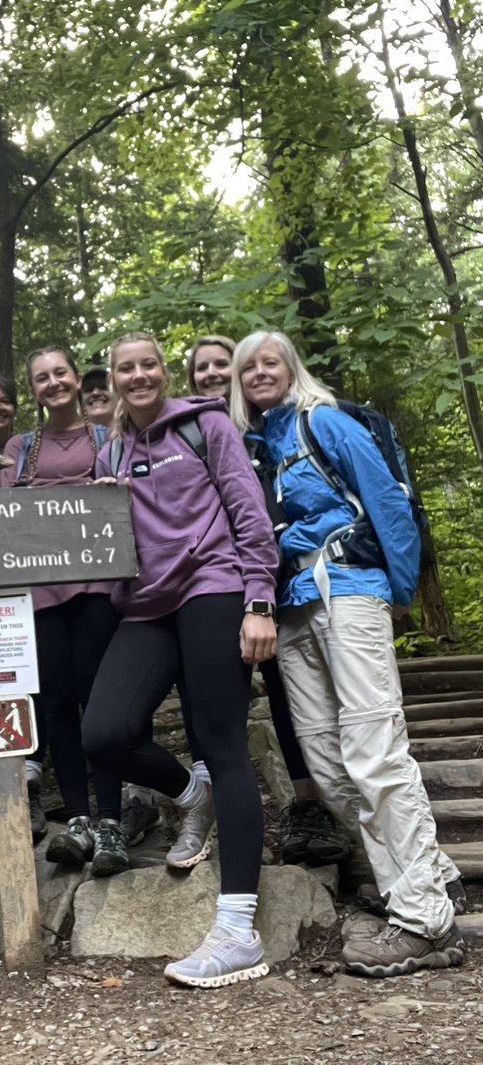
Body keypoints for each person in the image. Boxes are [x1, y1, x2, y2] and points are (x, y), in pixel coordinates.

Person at [230, 330, 465, 977]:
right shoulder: (256, 447)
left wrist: (398, 588)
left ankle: (421, 920)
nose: (259, 373)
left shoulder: (323, 423)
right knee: (330, 766)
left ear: (290, 367)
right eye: (247, 367)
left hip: (348, 589)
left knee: (373, 750)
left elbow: (387, 499)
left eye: (269, 362)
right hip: (294, 607)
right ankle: (433, 875)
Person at [81, 332, 279, 988]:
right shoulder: (111, 449)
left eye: (147, 365)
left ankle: (237, 930)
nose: (137, 376)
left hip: (215, 587)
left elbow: (248, 510)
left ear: (163, 372)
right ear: (112, 380)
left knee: (221, 744)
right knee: (103, 732)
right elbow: (110, 545)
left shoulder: (205, 425)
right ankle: (191, 796)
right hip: (147, 604)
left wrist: (259, 600)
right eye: (124, 368)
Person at [173, 334, 349, 869]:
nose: (209, 374)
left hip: (269, 584)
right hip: (205, 585)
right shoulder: (183, 435)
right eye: (200, 368)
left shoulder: (270, 433)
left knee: (284, 693)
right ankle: (212, 809)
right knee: (203, 699)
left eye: (220, 366)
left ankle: (311, 805)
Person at [1, 347, 125, 876]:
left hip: (99, 583)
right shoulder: (20, 448)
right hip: (39, 590)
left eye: (60, 374)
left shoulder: (108, 439)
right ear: (34, 389)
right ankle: (76, 818)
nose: (53, 383)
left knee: (98, 696)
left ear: (76, 379)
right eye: (41, 378)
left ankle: (113, 820)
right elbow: (1, 516)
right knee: (55, 700)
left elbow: (135, 500)